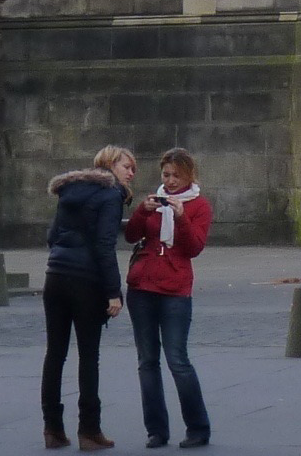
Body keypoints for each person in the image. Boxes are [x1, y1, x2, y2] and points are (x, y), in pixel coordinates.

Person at [42, 144, 131, 450]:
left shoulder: (69, 191)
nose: (131, 174)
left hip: (55, 276)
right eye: (126, 167)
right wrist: (113, 292)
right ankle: (89, 430)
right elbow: (105, 244)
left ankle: (52, 429)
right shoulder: (111, 195)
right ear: (109, 166)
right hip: (86, 281)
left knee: (55, 353)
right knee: (88, 356)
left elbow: (52, 235)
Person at [124, 147, 212, 449]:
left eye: (177, 175)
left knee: (177, 359)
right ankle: (156, 430)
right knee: (147, 361)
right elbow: (132, 235)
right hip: (142, 287)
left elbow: (194, 247)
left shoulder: (199, 205)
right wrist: (142, 211)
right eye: (166, 174)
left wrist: (181, 217)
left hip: (175, 289)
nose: (171, 181)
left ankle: (198, 428)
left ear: (189, 176)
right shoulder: (154, 199)